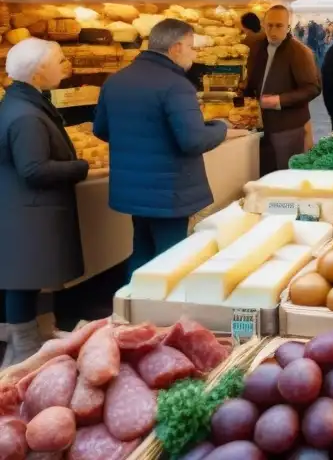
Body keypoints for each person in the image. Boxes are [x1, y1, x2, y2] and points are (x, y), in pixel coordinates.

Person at [94, 19, 227, 275]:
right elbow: (193, 140)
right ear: (176, 47)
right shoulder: (176, 85)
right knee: (171, 257)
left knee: (142, 249)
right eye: (191, 46)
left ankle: (130, 309)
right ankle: (165, 314)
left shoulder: (116, 80)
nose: (194, 53)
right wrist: (220, 128)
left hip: (133, 188)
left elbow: (101, 129)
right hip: (169, 191)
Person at [0, 39, 90, 364]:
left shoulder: (23, 103)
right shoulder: (26, 116)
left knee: (23, 279)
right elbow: (33, 169)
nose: (65, 64)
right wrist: (80, 167)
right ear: (39, 71)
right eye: (60, 59)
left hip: (23, 208)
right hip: (28, 210)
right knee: (22, 281)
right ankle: (23, 352)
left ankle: (29, 342)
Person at [244, 5, 321, 175]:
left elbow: (313, 88)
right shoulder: (257, 47)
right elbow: (254, 79)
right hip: (262, 125)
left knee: (287, 175)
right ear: (263, 25)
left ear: (288, 26)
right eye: (269, 25)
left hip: (289, 127)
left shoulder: (299, 52)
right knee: (265, 173)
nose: (273, 30)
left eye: (278, 25)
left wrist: (280, 100)